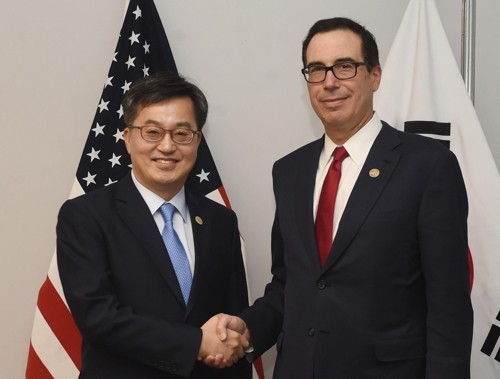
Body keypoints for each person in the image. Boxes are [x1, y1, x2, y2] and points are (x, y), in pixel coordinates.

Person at [209, 17, 473, 378]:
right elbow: (291, 284)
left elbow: (449, 305)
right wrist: (248, 327)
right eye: (317, 70)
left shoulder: (428, 166)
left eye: (345, 67)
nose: (330, 82)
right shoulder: (289, 172)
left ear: (375, 76)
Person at [57, 72, 251, 379]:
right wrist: (196, 343)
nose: (167, 146)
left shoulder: (221, 221)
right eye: (152, 132)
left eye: (182, 134)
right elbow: (98, 317)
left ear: (197, 141)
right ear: (128, 138)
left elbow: (232, 318)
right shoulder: (85, 216)